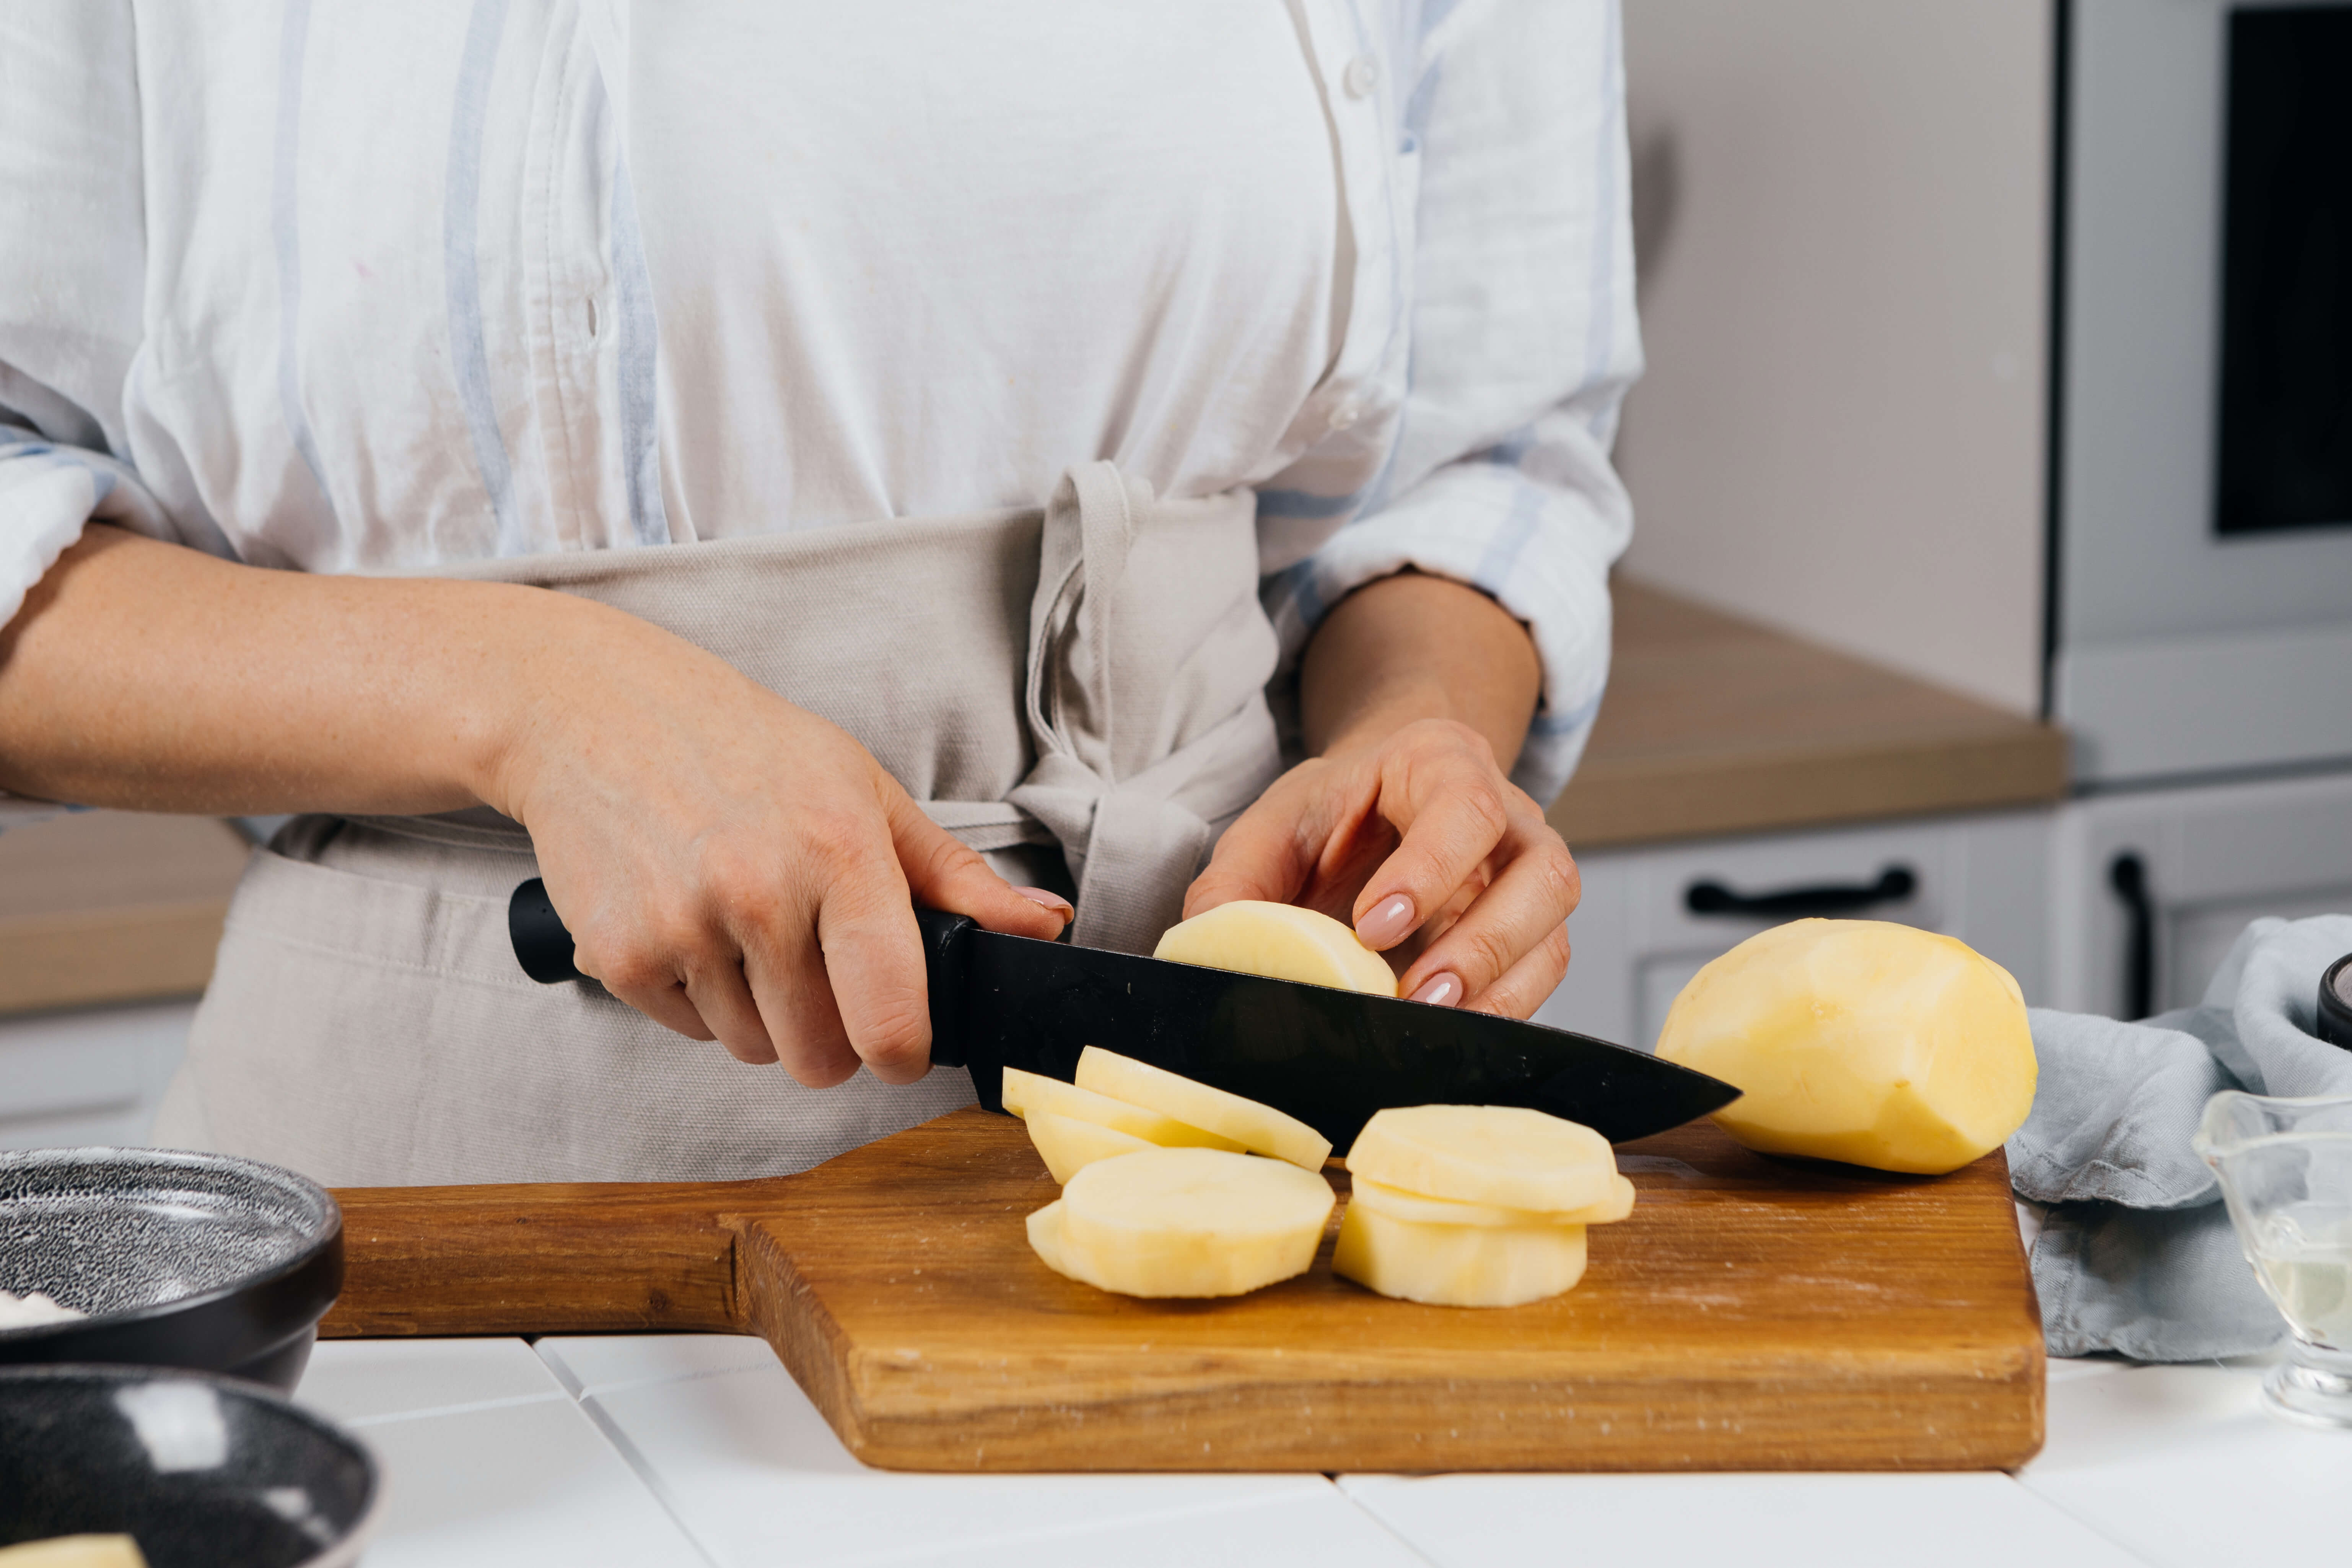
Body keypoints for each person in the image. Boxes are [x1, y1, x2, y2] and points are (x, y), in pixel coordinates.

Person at [0, 1, 1637, 1185]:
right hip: (458, 1163)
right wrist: (530, 699)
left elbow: (1475, 462)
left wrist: (1416, 726)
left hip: (1232, 1107)